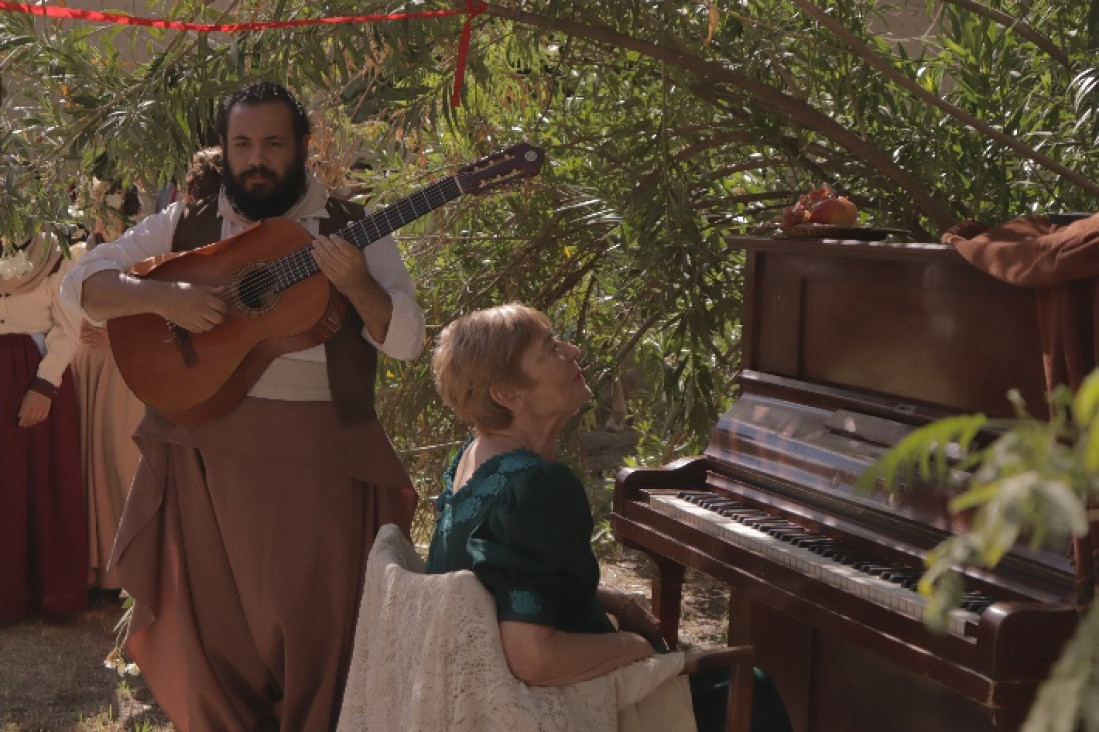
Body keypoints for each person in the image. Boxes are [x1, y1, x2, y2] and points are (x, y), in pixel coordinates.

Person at [60, 80, 425, 731]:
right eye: (242, 143)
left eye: (272, 143)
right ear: (224, 150)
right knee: (217, 635)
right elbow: (80, 287)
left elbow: (406, 341)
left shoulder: (349, 227)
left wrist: (358, 285)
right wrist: (165, 300)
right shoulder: (185, 224)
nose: (256, 158)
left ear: (301, 148)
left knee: (319, 632)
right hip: (203, 451)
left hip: (321, 455)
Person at [425, 303, 792, 732]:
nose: (573, 350)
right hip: (560, 707)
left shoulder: (470, 462)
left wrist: (610, 601)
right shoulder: (537, 487)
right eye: (550, 349)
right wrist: (631, 647)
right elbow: (533, 657)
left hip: (511, 699)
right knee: (752, 687)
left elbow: (500, 581)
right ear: (508, 394)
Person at [0, 231, 87, 623]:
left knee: (32, 484)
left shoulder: (52, 250)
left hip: (29, 374)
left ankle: (36, 590)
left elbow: (68, 326)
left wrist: (45, 384)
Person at [69, 181, 146, 594]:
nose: (99, 214)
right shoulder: (80, 255)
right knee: (86, 461)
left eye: (106, 206)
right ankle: (90, 568)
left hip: (123, 368)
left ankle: (126, 575)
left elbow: (155, 312)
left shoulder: (142, 254)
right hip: (84, 366)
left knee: (122, 463)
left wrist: (116, 337)